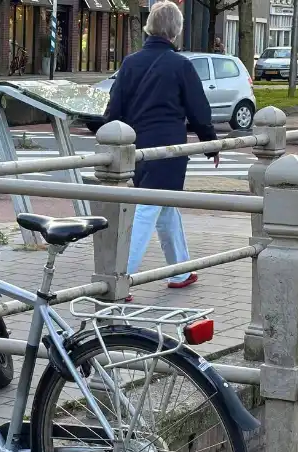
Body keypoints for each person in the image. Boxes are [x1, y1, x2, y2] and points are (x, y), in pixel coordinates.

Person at [101, 0, 218, 301]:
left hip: (136, 147)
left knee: (164, 206)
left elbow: (114, 108)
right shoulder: (181, 66)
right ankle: (120, 279)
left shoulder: (130, 63)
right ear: (176, 31)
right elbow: (198, 110)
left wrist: (115, 140)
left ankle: (179, 270)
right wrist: (210, 143)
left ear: (150, 27)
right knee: (149, 208)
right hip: (168, 148)